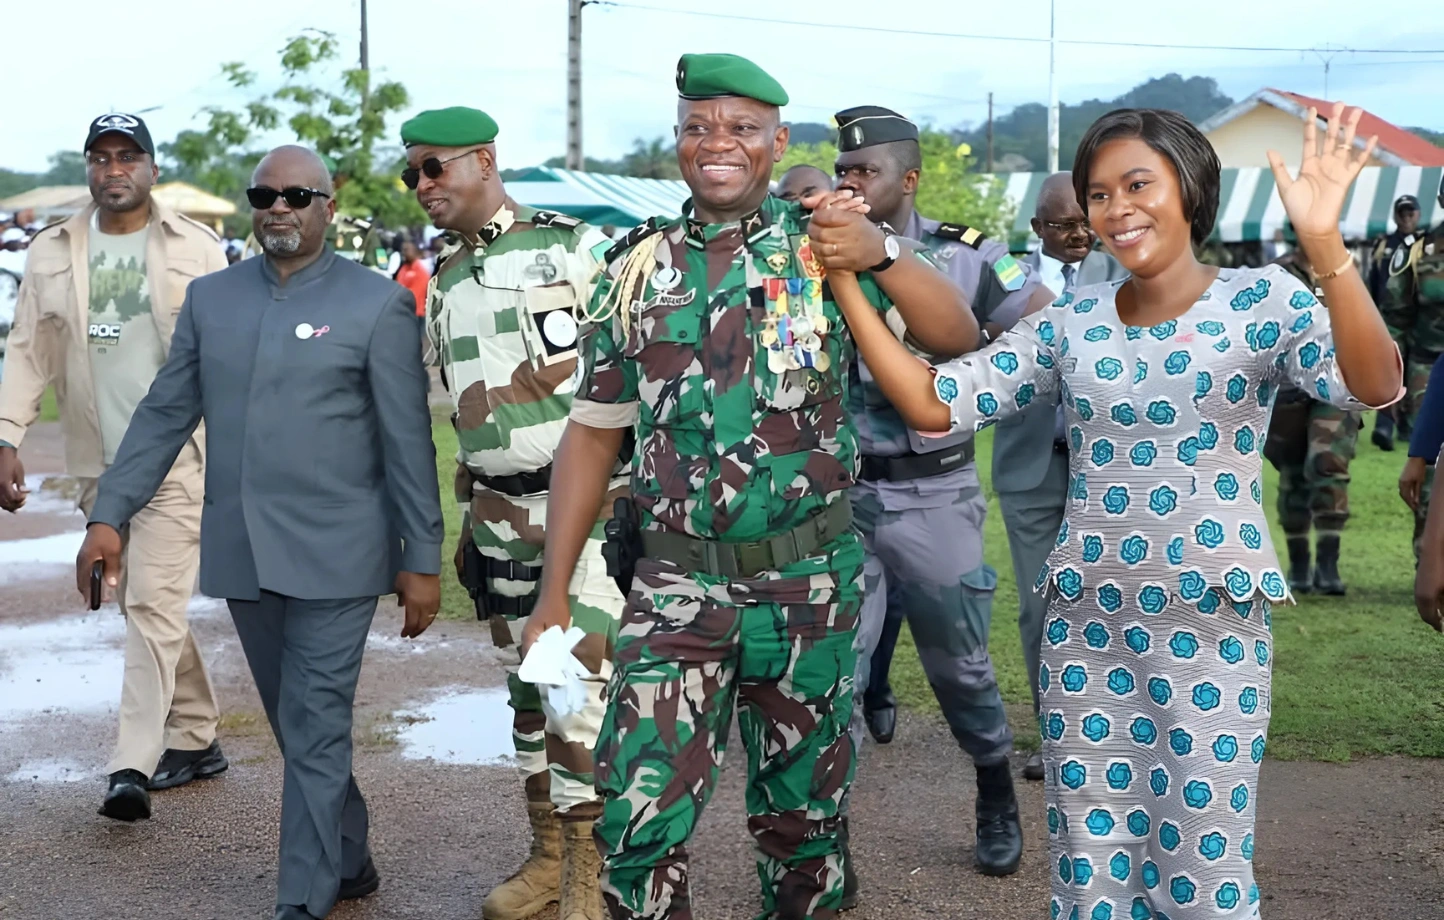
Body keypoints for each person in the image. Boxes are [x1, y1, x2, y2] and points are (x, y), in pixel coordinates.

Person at [827, 104, 1400, 920]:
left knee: (1205, 877)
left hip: (1211, 633)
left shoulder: (1264, 302)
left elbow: (1374, 383)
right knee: (1093, 880)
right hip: (1086, 637)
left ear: (1190, 188)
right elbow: (931, 402)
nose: (1116, 208)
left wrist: (1326, 249)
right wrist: (851, 278)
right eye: (1100, 193)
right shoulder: (1073, 323)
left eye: (1138, 184)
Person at [525, 54, 976, 920]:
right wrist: (554, 591)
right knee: (637, 823)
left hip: (808, 585)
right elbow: (592, 432)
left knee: (803, 827)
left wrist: (879, 251)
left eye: (740, 127)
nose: (716, 142)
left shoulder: (825, 244)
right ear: (679, 142)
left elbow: (953, 336)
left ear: (776, 141)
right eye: (699, 126)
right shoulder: (637, 268)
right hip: (675, 588)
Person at [75, 145, 444, 920]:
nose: (280, 207)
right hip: (244, 553)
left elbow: (408, 443)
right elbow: (165, 414)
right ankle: (348, 856)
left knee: (312, 727)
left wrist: (422, 556)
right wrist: (110, 513)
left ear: (328, 206)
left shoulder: (376, 303)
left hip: (339, 558)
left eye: (297, 195)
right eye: (265, 195)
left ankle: (299, 903)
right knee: (296, 725)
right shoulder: (213, 300)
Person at [401, 105, 624, 920]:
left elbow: (629, 366)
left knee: (572, 686)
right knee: (527, 693)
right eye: (412, 174)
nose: (422, 185)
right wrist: (467, 519)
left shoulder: (571, 246)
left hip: (582, 511)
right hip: (496, 516)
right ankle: (546, 855)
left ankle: (586, 874)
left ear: (484, 162)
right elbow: (466, 419)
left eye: (435, 168)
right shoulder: (447, 283)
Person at [829, 103, 1051, 878]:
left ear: (909, 179)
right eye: (843, 170)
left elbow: (1041, 329)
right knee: (834, 674)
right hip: (837, 502)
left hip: (935, 495)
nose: (850, 182)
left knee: (960, 668)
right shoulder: (813, 255)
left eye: (867, 171)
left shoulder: (970, 256)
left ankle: (994, 785)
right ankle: (827, 840)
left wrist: (978, 379)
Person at [0, 113, 230, 821]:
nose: (114, 169)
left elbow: (225, 358)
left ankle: (131, 761)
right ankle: (197, 733)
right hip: (98, 461)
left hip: (178, 456)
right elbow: (28, 351)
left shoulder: (198, 247)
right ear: (88, 170)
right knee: (141, 604)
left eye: (128, 156)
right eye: (100, 158)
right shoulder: (51, 250)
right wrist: (7, 435)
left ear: (152, 169)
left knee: (154, 604)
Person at [1007, 172, 1128, 783]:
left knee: (1102, 603)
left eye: (1086, 221)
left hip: (1105, 470)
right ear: (1038, 229)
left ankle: (1108, 734)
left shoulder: (1125, 275)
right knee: (1037, 609)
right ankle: (1053, 738)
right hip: (1029, 468)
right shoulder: (1002, 278)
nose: (1079, 234)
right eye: (1063, 225)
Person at [1264, 246, 1361, 595]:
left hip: (1336, 384)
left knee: (1327, 463)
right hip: (1290, 388)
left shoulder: (1344, 265)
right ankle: (1300, 565)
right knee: (1292, 475)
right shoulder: (1276, 273)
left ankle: (1328, 565)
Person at [1384, 175, 1444, 562]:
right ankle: (1431, 562)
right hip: (1428, 368)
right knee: (1431, 471)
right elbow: (1394, 321)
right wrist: (1390, 383)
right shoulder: (1418, 253)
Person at [1370, 194, 1423, 450]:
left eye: (1410, 212)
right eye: (1402, 213)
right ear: (1395, 215)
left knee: (1414, 374)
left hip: (1419, 319)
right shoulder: (1384, 245)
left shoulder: (1425, 244)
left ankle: (1407, 426)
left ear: (1418, 214)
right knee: (1390, 372)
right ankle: (1384, 426)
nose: (1406, 217)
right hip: (1388, 320)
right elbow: (1372, 282)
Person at [394, 238, 431, 334]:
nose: (404, 252)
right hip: (403, 312)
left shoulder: (420, 271)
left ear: (415, 251)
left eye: (407, 250)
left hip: (415, 313)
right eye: (403, 250)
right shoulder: (403, 269)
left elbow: (415, 294)